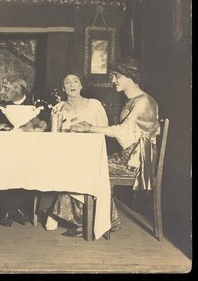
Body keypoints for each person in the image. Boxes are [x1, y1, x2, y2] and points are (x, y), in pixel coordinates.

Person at [49, 57, 160, 237]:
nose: (113, 81)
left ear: (128, 77)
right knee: (81, 165)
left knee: (87, 167)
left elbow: (123, 131)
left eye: (116, 76)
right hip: (129, 156)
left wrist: (89, 127)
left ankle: (96, 222)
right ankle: (91, 220)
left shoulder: (144, 102)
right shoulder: (132, 101)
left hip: (138, 161)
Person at [42, 71, 109, 232]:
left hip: (90, 155)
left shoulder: (94, 105)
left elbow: (104, 131)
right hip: (65, 154)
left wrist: (87, 130)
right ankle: (57, 213)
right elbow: (54, 136)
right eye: (67, 82)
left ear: (81, 85)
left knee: (75, 168)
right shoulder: (58, 108)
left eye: (75, 81)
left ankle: (55, 213)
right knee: (62, 165)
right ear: (63, 88)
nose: (72, 85)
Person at [0, 72, 34, 227]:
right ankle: (12, 209)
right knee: (5, 167)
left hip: (30, 153)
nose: (2, 92)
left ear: (18, 88)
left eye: (6, 88)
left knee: (26, 167)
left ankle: (10, 209)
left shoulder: (35, 105)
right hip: (4, 153)